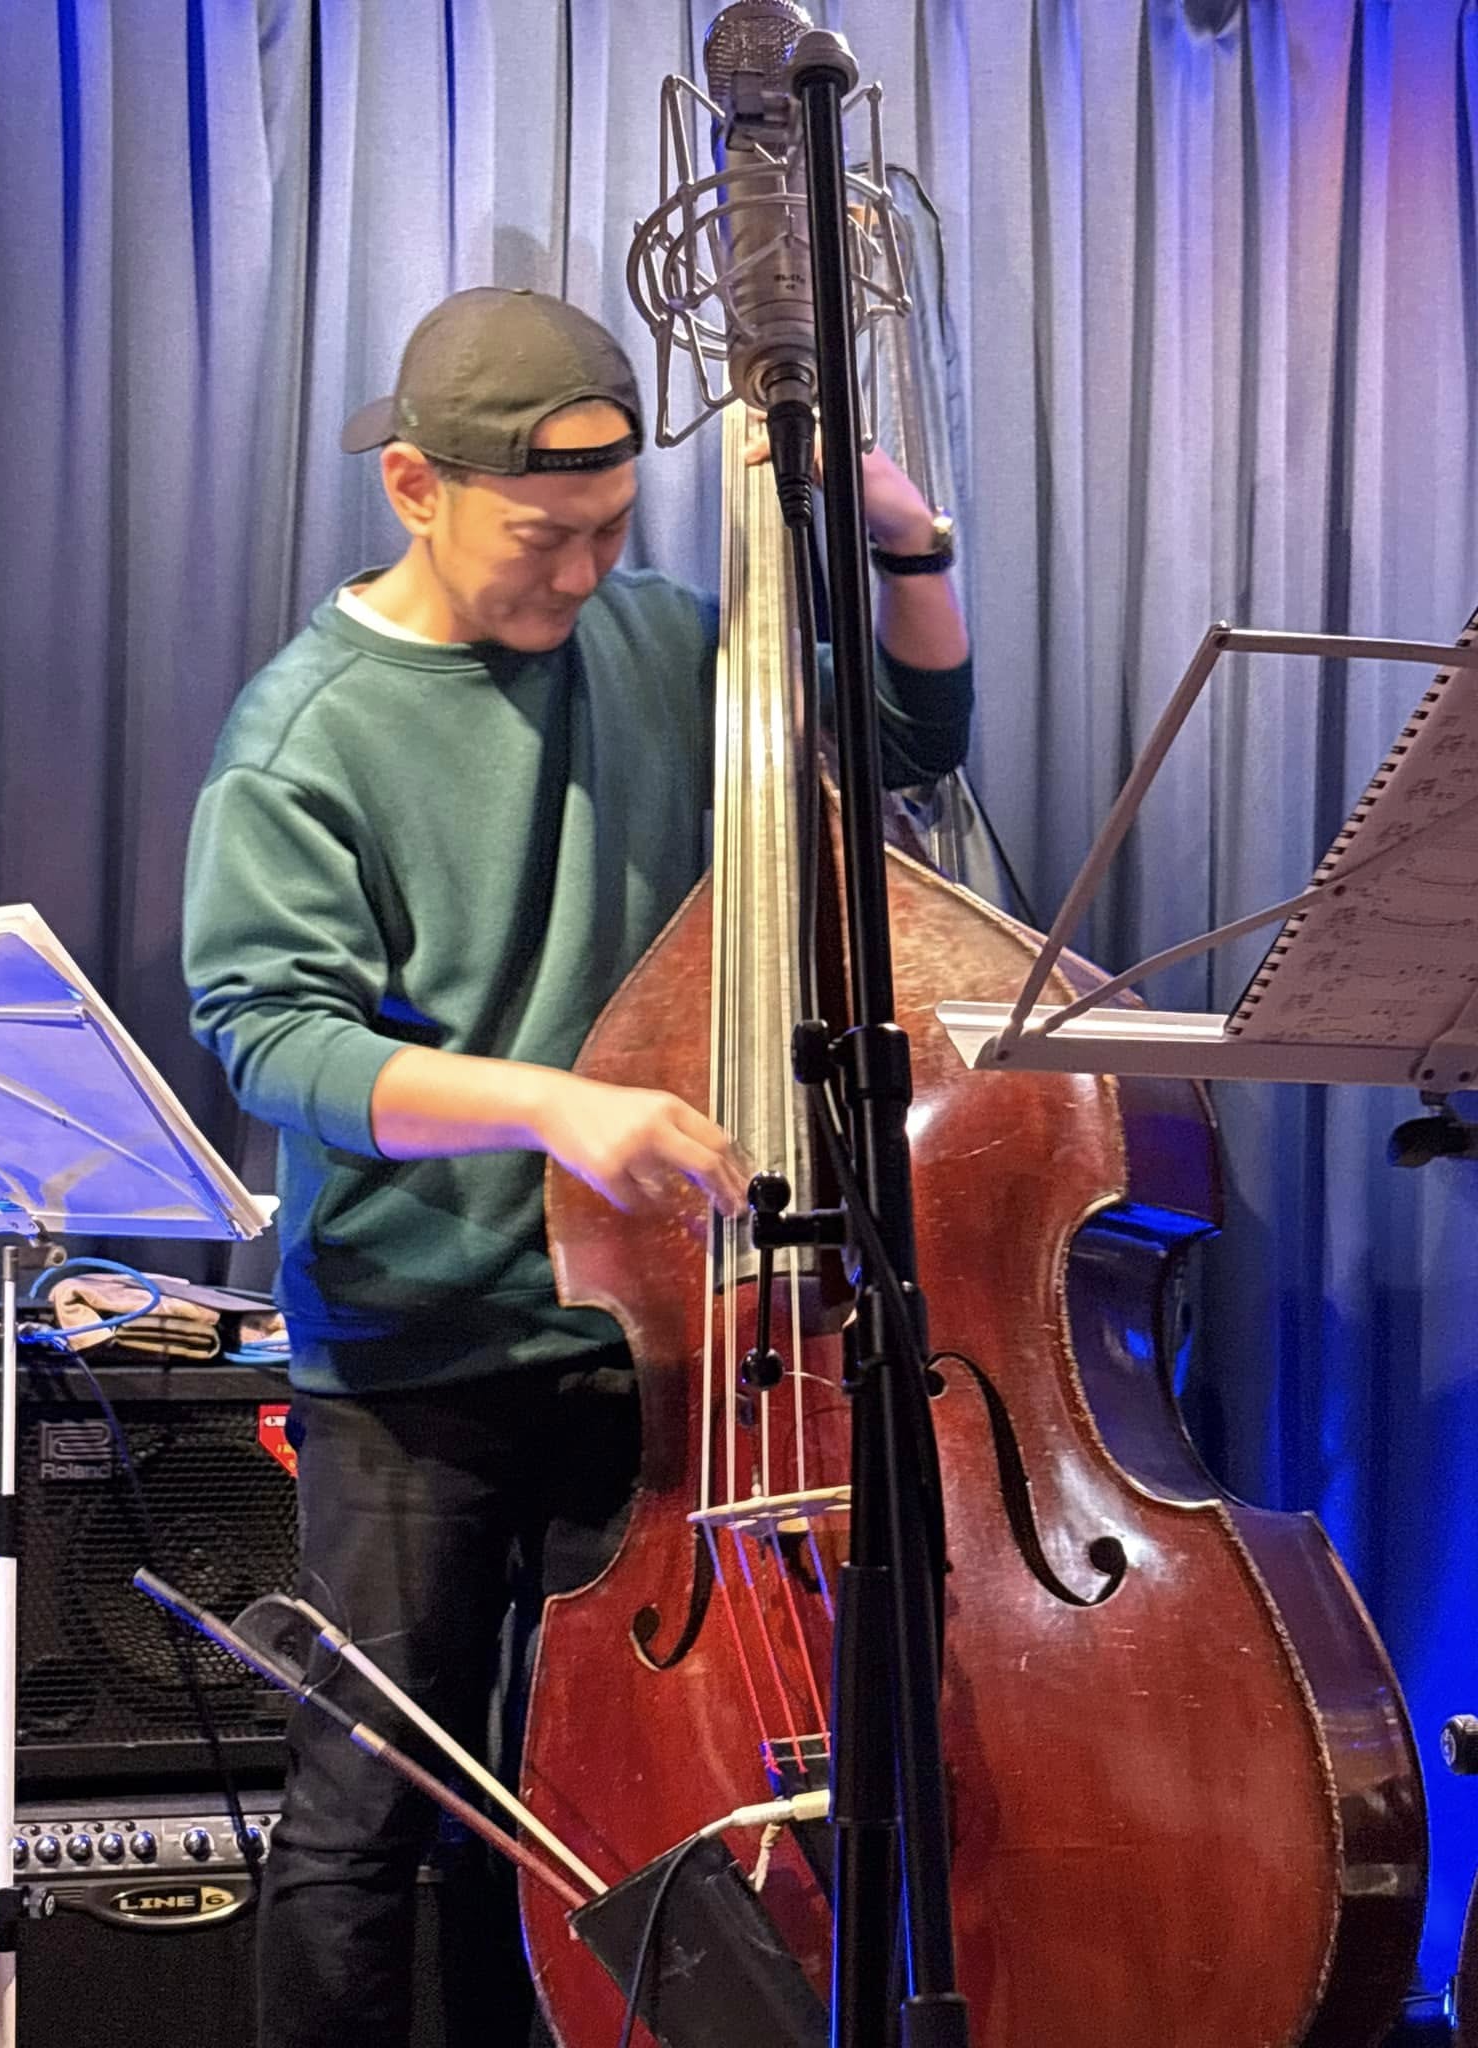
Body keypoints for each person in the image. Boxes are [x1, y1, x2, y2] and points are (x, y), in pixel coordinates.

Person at [183, 285, 971, 2048]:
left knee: (597, 1813)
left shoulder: (662, 640)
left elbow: (911, 744)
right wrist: (555, 1107)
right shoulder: (306, 733)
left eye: (613, 529)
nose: (587, 573)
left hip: (651, 1342)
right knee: (373, 1809)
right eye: (545, 539)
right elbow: (273, 1041)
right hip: (424, 1346)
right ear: (414, 487)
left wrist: (904, 541)